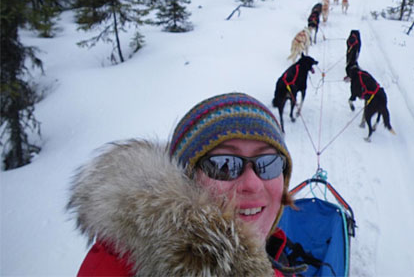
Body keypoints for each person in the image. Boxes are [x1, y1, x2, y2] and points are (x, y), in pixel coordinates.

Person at [68, 92, 300, 276]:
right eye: (224, 164)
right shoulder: (117, 266)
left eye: (268, 163)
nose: (252, 183)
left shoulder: (266, 259)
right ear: (185, 179)